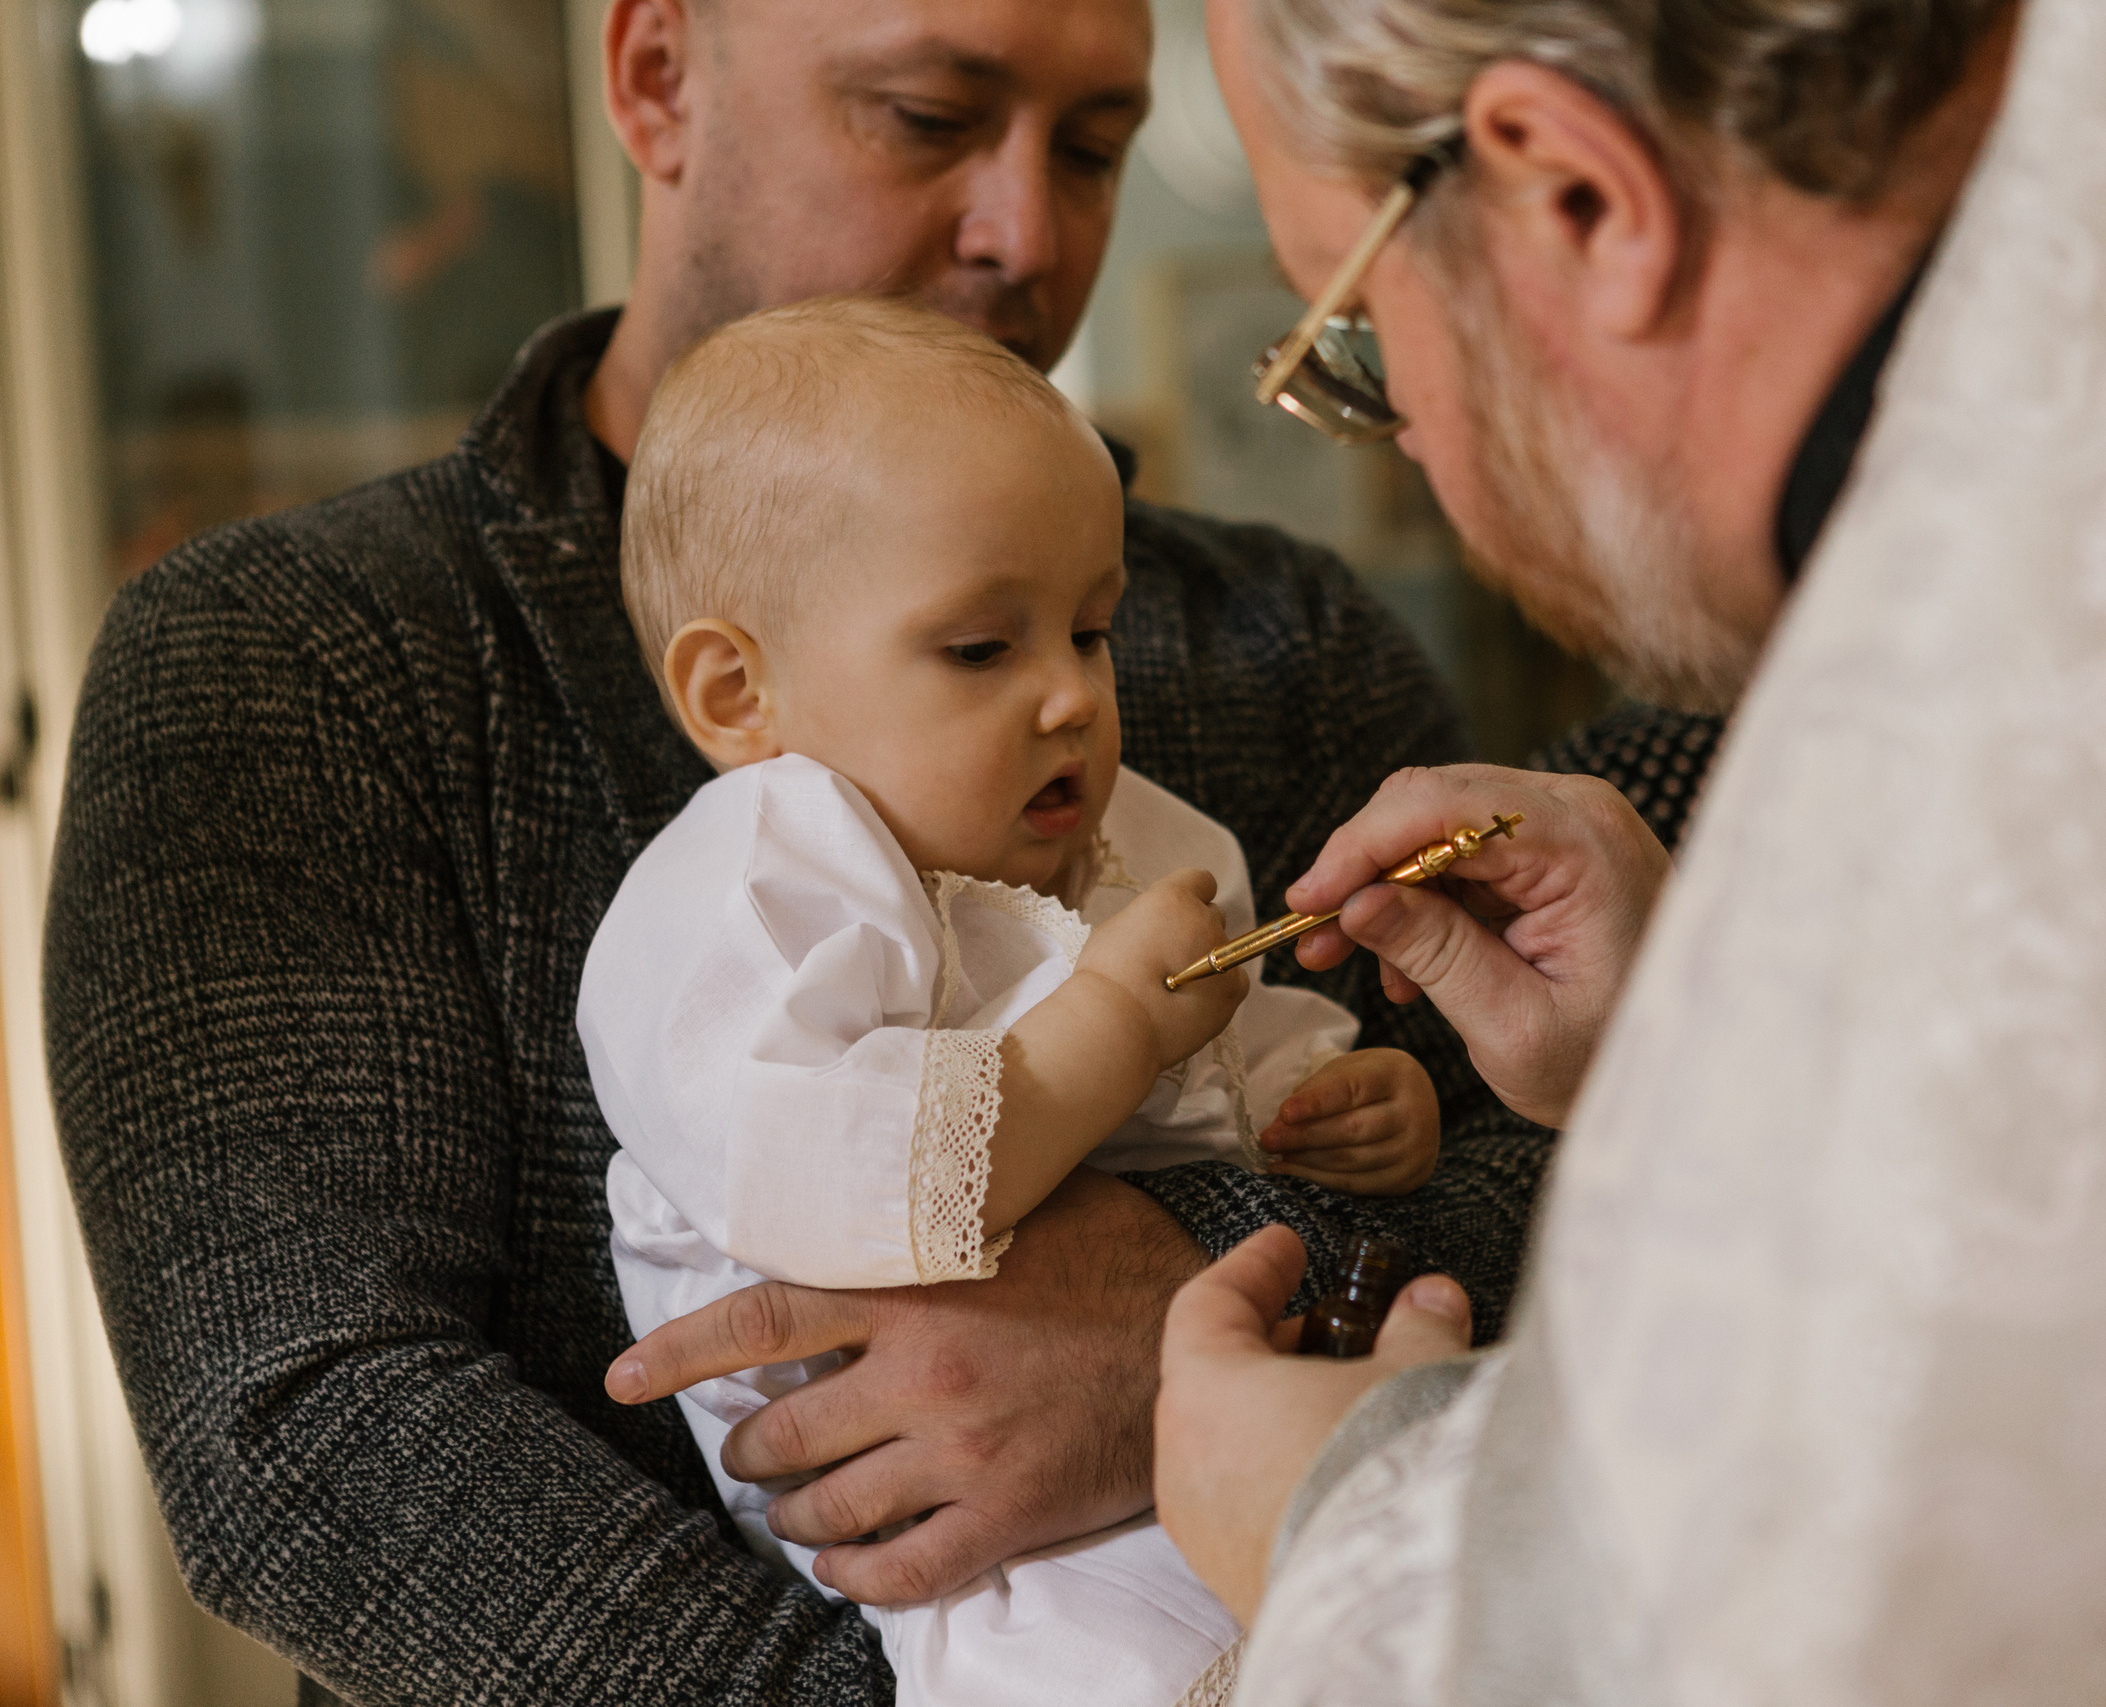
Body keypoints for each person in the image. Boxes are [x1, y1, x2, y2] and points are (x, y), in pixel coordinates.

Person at [38, 0, 1646, 1697]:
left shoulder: (1279, 634)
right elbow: (305, 1431)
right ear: (659, 79)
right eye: (924, 113)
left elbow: (1561, 1164)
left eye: (1095, 149)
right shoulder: (296, 662)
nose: (1027, 231)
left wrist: (1204, 1302)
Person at [1152, 0, 2106, 1702]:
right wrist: (1704, 1036)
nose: (1418, 449)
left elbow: (1791, 1616)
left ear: (1580, 199)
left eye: (1358, 335)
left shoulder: (2045, 740)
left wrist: (1342, 1508)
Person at [587, 296, 1444, 1707]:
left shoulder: (1122, 847)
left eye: (1092, 634)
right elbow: (842, 1190)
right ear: (740, 692)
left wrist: (1331, 1101)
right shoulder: (750, 884)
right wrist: (1115, 1021)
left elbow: (1221, 1051)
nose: (1071, 699)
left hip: (1226, 1451)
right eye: (984, 651)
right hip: (975, 1551)